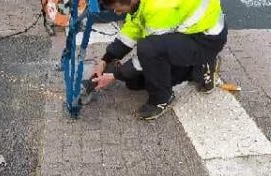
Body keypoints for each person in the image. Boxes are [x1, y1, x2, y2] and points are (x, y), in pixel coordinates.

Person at [91, 0, 228, 120]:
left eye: (118, 9)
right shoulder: (141, 3)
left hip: (206, 39)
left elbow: (149, 53)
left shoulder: (159, 8)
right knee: (135, 82)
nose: (118, 13)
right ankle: (196, 68)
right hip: (189, 32)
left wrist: (116, 75)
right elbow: (134, 28)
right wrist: (106, 59)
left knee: (148, 49)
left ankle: (162, 99)